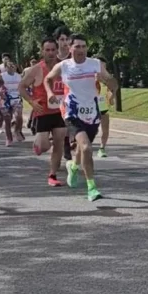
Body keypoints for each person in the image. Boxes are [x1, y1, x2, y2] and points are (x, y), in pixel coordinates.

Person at [44, 34, 118, 201]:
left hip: (92, 112)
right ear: (70, 48)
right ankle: (92, 188)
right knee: (86, 148)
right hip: (71, 111)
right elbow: (48, 79)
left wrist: (109, 86)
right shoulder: (64, 66)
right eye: (77, 46)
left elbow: (112, 82)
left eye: (84, 46)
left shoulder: (95, 64)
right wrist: (50, 93)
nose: (81, 50)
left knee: (82, 148)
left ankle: (74, 166)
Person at [19, 38, 68, 186]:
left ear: (57, 50)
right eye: (47, 50)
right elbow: (21, 86)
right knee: (44, 146)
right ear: (42, 51)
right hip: (42, 112)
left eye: (53, 50)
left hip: (59, 111)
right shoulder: (37, 69)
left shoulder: (63, 67)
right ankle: (38, 145)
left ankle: (52, 175)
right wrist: (31, 102)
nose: (51, 53)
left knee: (59, 140)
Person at [53, 26, 75, 161]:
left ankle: (67, 150)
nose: (65, 42)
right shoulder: (52, 57)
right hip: (54, 96)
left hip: (70, 95)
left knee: (66, 124)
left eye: (67, 39)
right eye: (62, 39)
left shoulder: (74, 57)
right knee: (58, 129)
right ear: (57, 41)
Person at [0, 61, 25, 145]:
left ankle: (17, 131)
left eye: (13, 65)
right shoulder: (2, 76)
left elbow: (22, 87)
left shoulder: (19, 76)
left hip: (16, 99)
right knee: (7, 119)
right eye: (9, 66)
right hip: (5, 100)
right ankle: (9, 138)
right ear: (5, 68)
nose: (11, 67)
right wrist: (1, 93)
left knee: (19, 116)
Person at [95, 75, 114, 158]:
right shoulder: (89, 84)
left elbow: (111, 102)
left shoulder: (106, 85)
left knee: (105, 130)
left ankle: (102, 149)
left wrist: (113, 93)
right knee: (90, 131)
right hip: (91, 111)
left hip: (104, 110)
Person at [0, 53, 11, 134]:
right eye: (4, 58)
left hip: (10, 92)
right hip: (1, 92)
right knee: (2, 111)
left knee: (10, 111)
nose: (6, 60)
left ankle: (7, 127)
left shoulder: (11, 66)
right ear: (2, 59)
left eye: (7, 58)